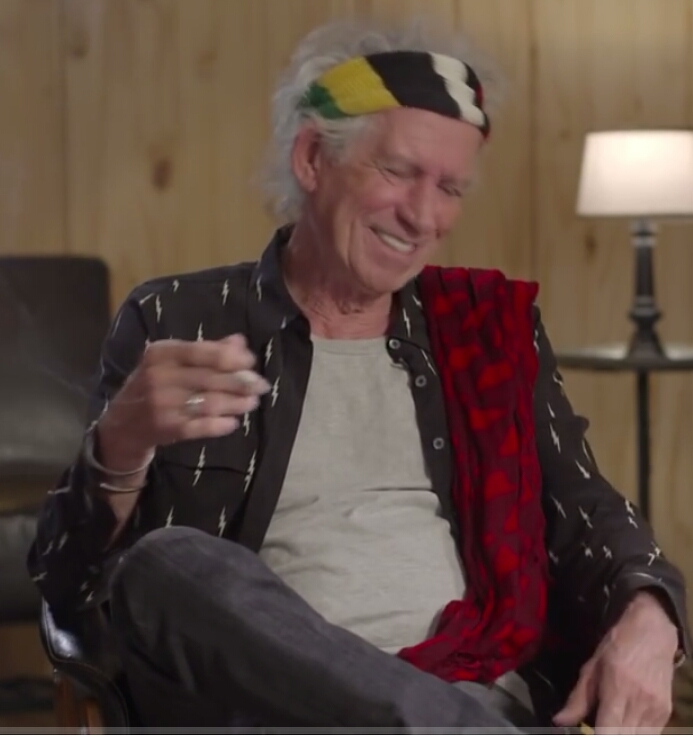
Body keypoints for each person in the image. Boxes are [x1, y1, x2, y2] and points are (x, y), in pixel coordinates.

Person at [28, 18, 688, 733]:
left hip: (473, 691)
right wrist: (120, 446)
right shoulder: (178, 317)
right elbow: (68, 582)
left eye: (450, 187)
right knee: (164, 566)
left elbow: (588, 510)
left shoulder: (485, 330)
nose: (423, 216)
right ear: (313, 158)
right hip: (270, 710)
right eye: (398, 171)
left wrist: (651, 611)